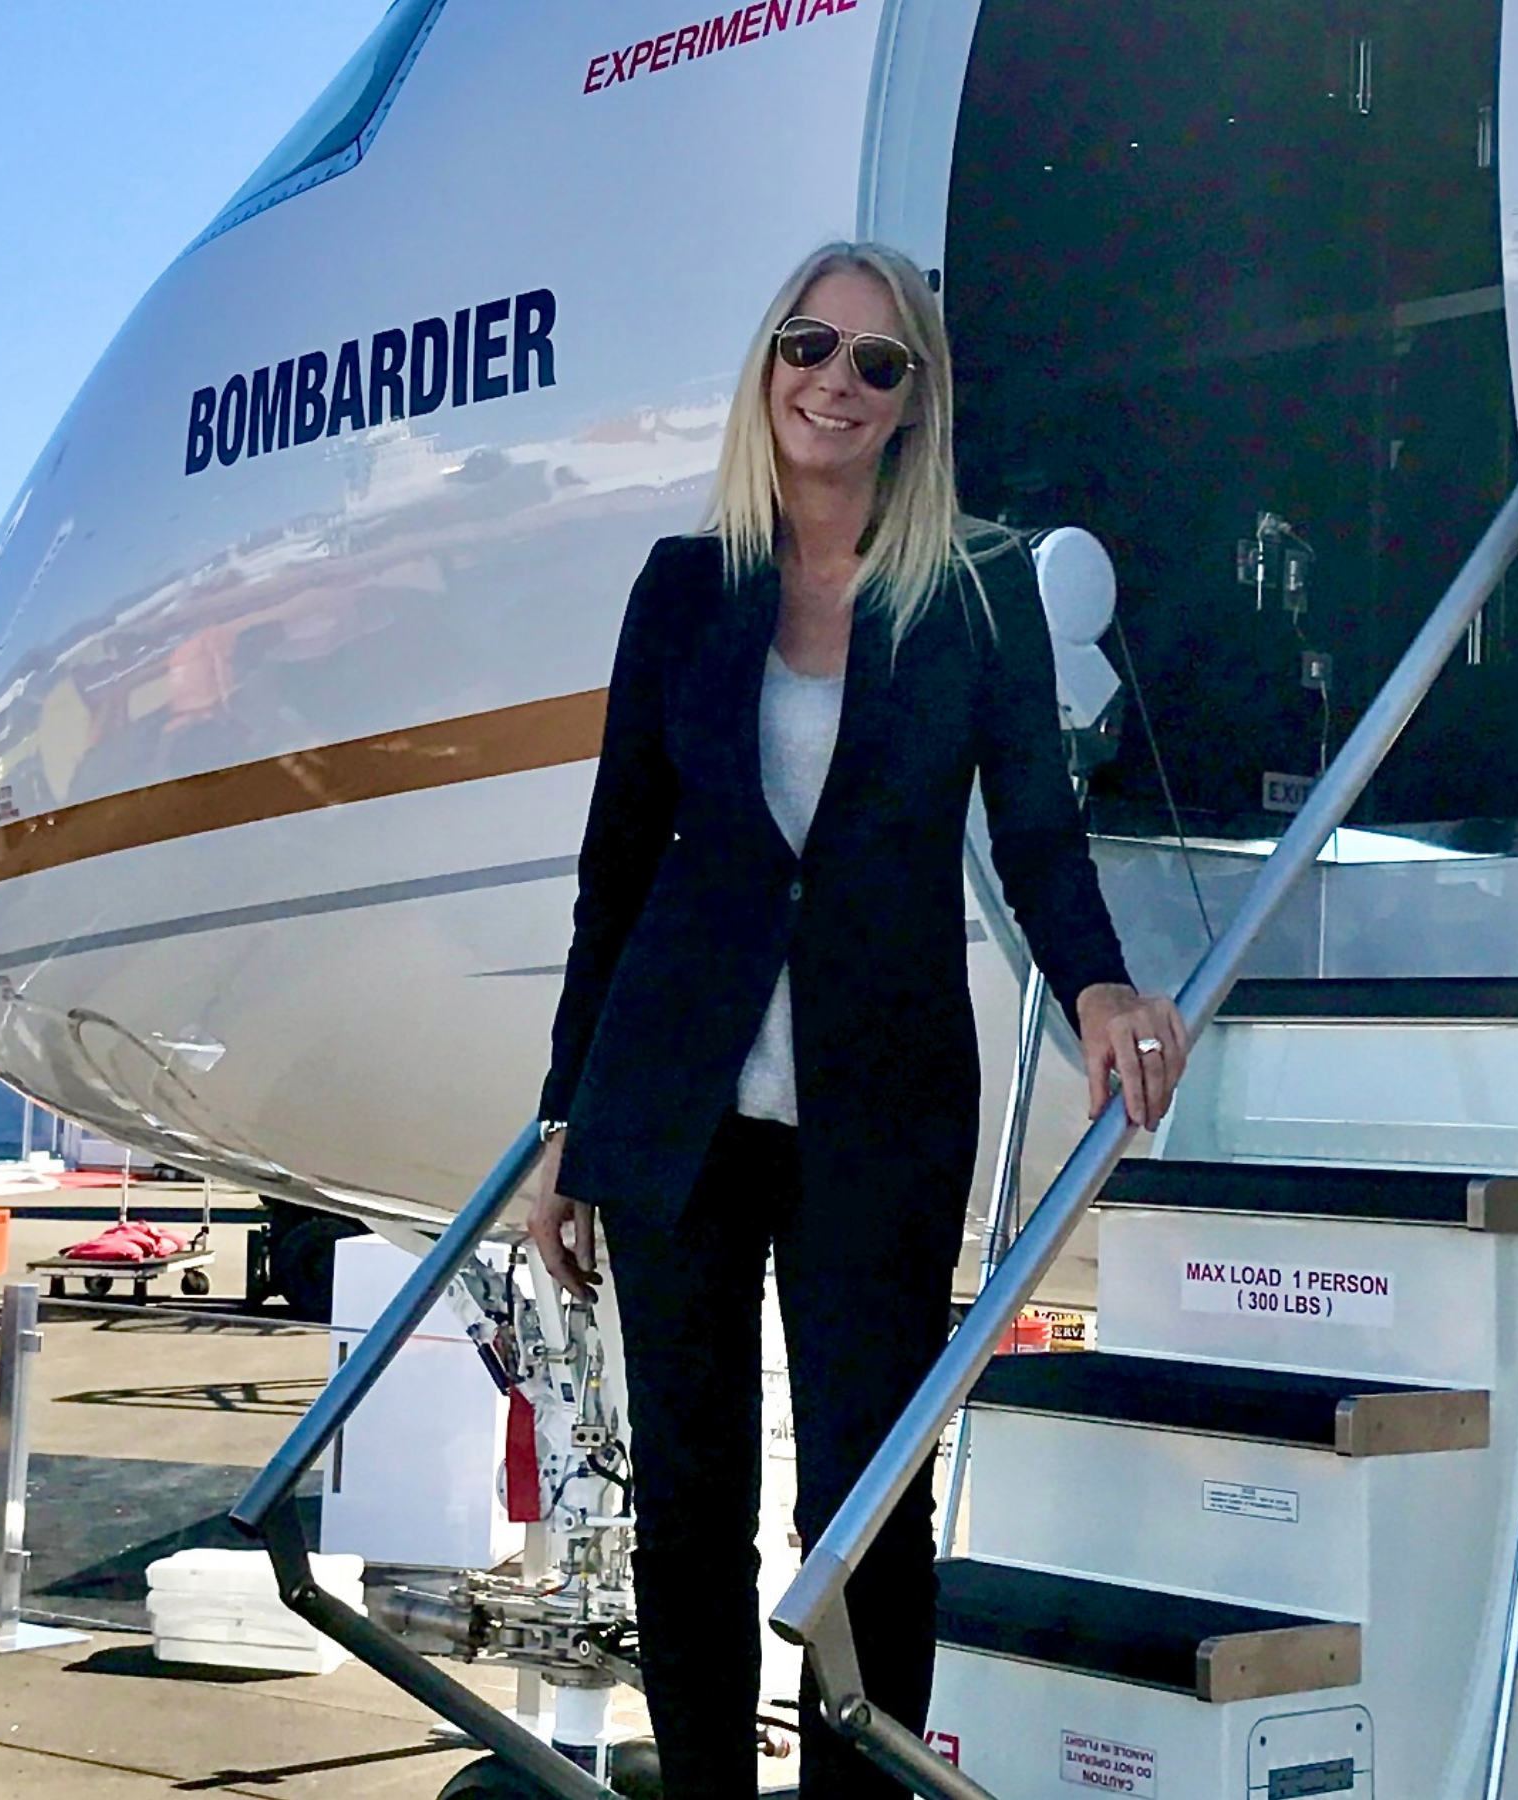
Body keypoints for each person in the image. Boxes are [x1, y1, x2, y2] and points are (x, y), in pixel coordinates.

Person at [524, 241, 1191, 1800]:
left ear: (915, 403)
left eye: (876, 363)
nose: (834, 379)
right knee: (689, 1501)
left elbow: (1036, 829)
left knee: (867, 1504)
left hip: (877, 1112)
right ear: (768, 367)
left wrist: (1096, 981)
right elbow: (617, 862)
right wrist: (565, 1121)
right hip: (674, 1106)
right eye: (809, 345)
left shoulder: (976, 594)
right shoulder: (685, 587)